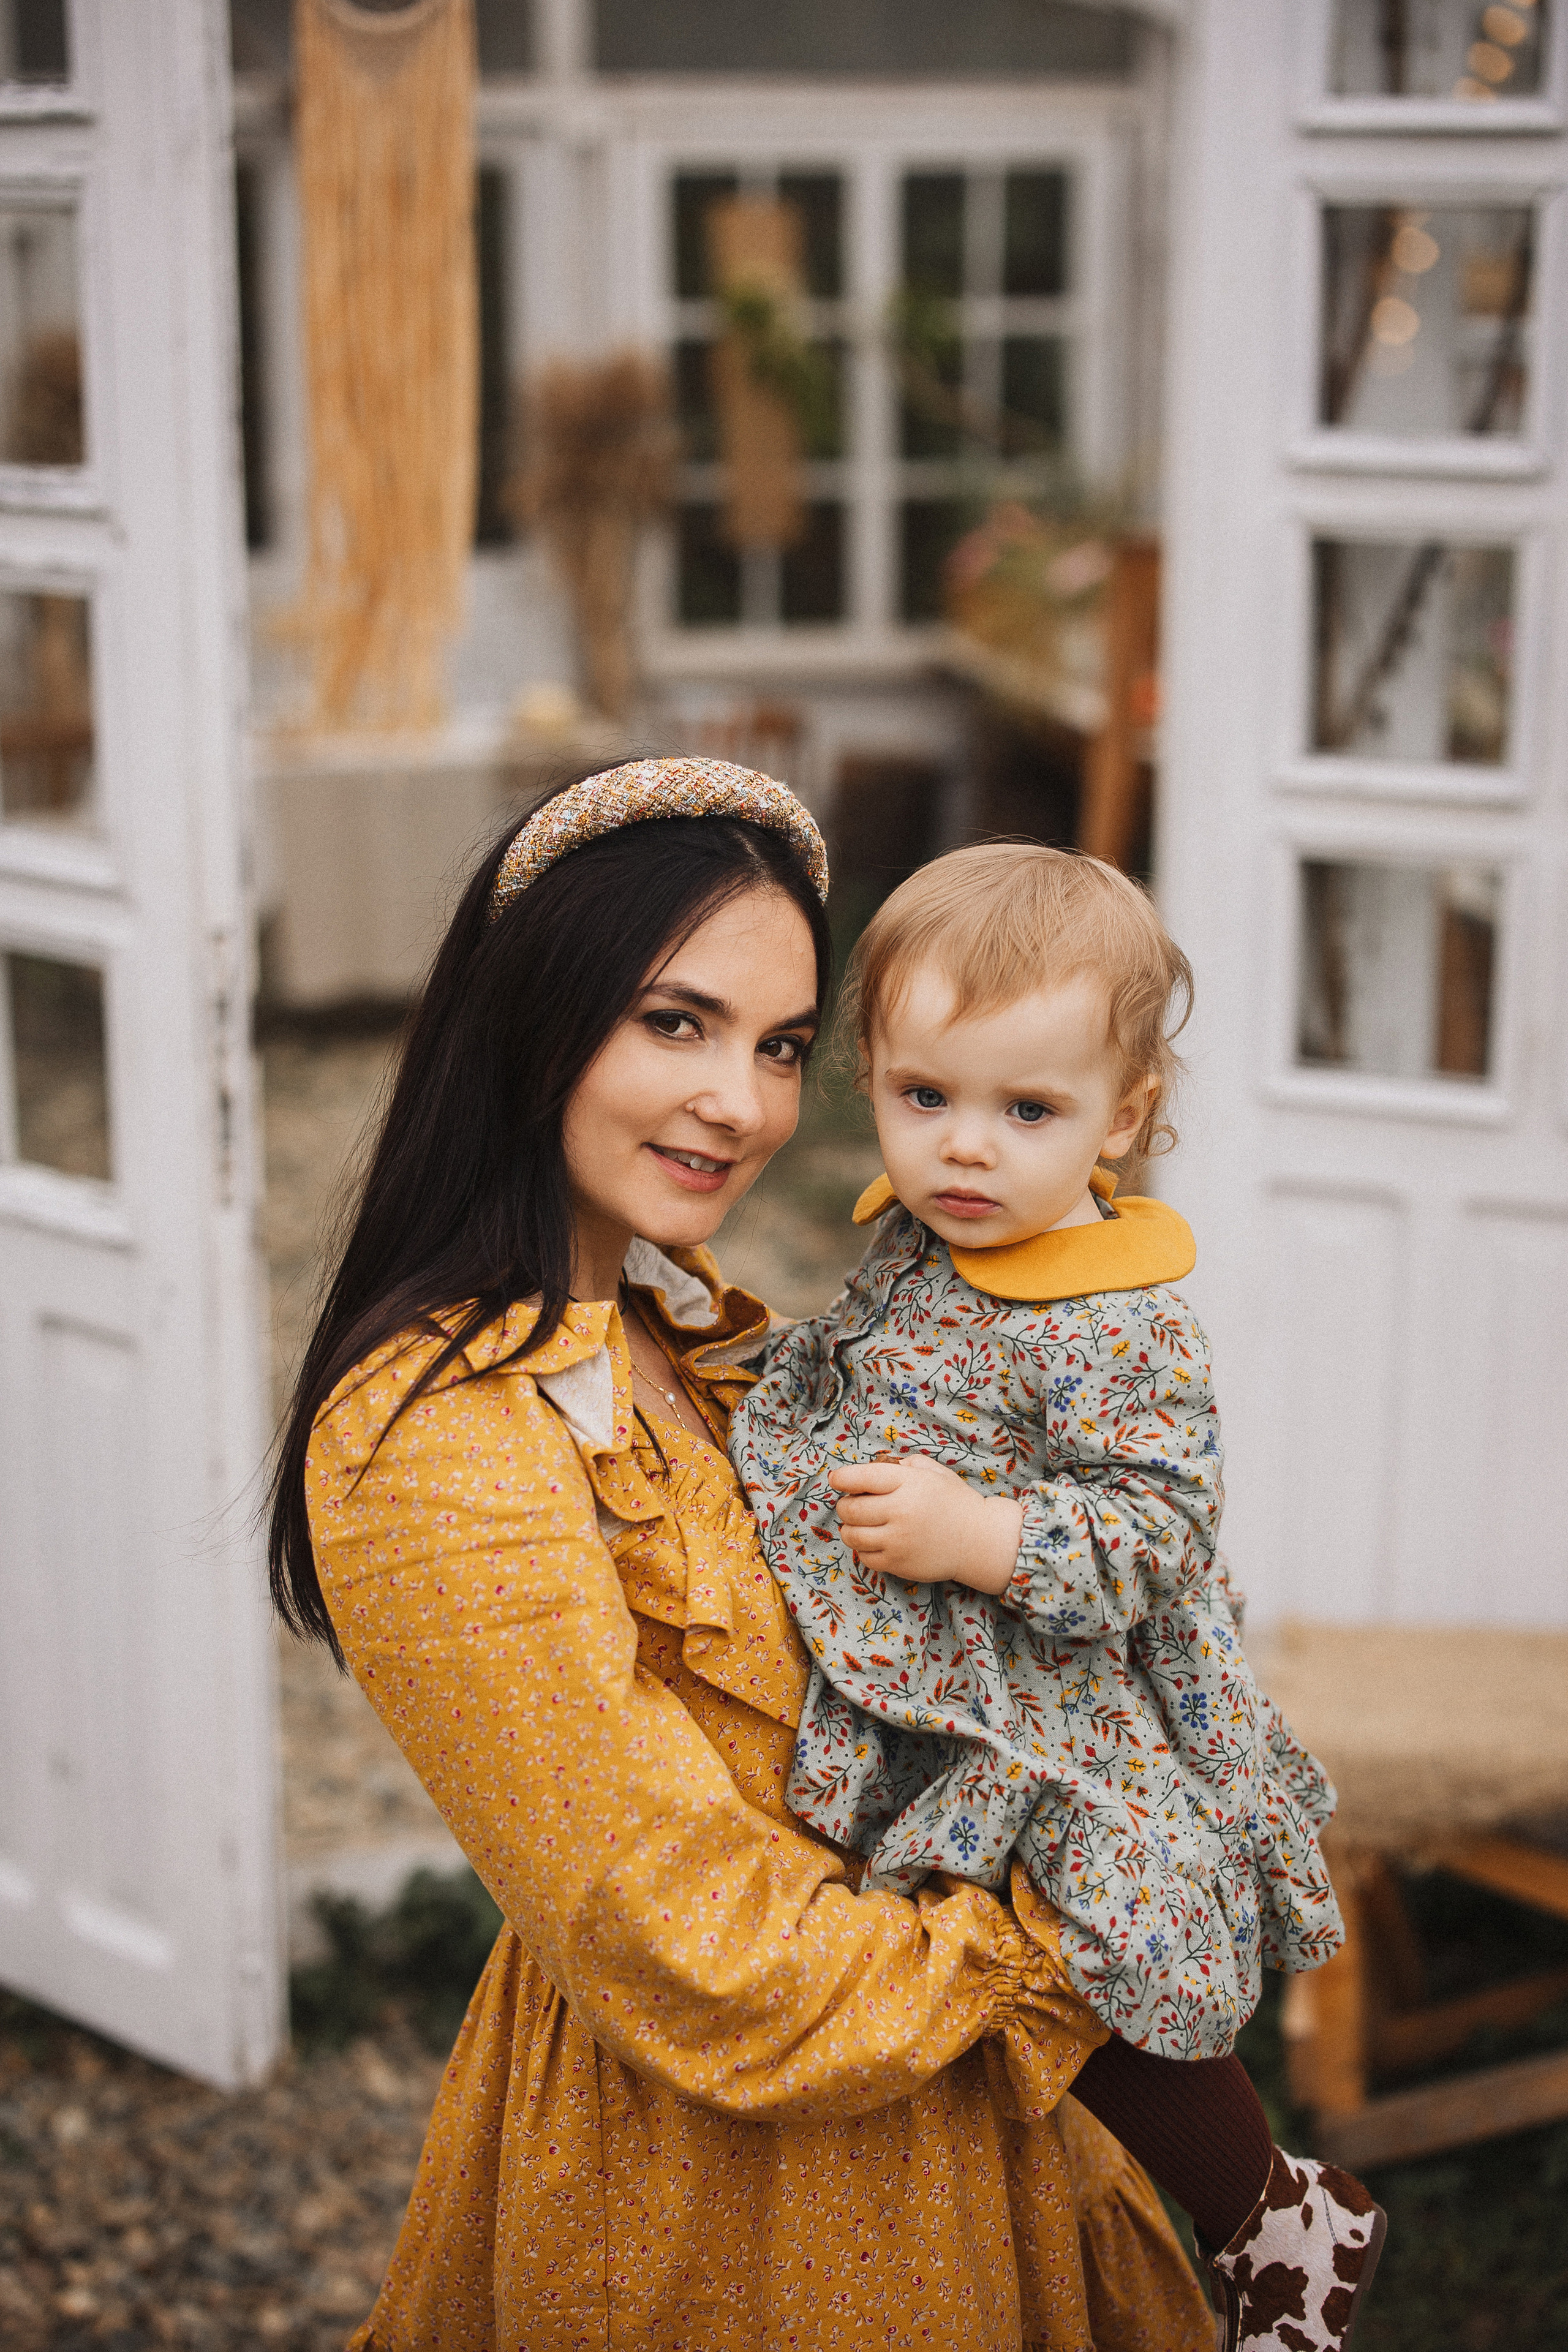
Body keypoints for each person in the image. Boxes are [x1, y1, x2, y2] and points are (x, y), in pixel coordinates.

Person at [268, 760, 1218, 2352]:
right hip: (717, 2163)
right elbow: (672, 1931)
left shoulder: (687, 1332)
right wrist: (1047, 1940)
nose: (746, 1103)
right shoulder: (432, 1434)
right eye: (677, 1023)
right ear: (534, 1011)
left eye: (782, 1048)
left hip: (931, 2082)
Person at [730, 844, 1386, 2352]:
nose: (964, 1149)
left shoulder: (1118, 1315)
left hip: (1057, 1692)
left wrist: (983, 1533)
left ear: (1123, 1118)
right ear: (873, 1081)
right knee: (959, 1953)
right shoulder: (921, 1237)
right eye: (923, 1098)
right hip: (941, 1669)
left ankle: (1274, 2216)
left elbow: (1157, 1525)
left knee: (1102, 1917)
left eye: (1026, 1112)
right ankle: (998, 2199)